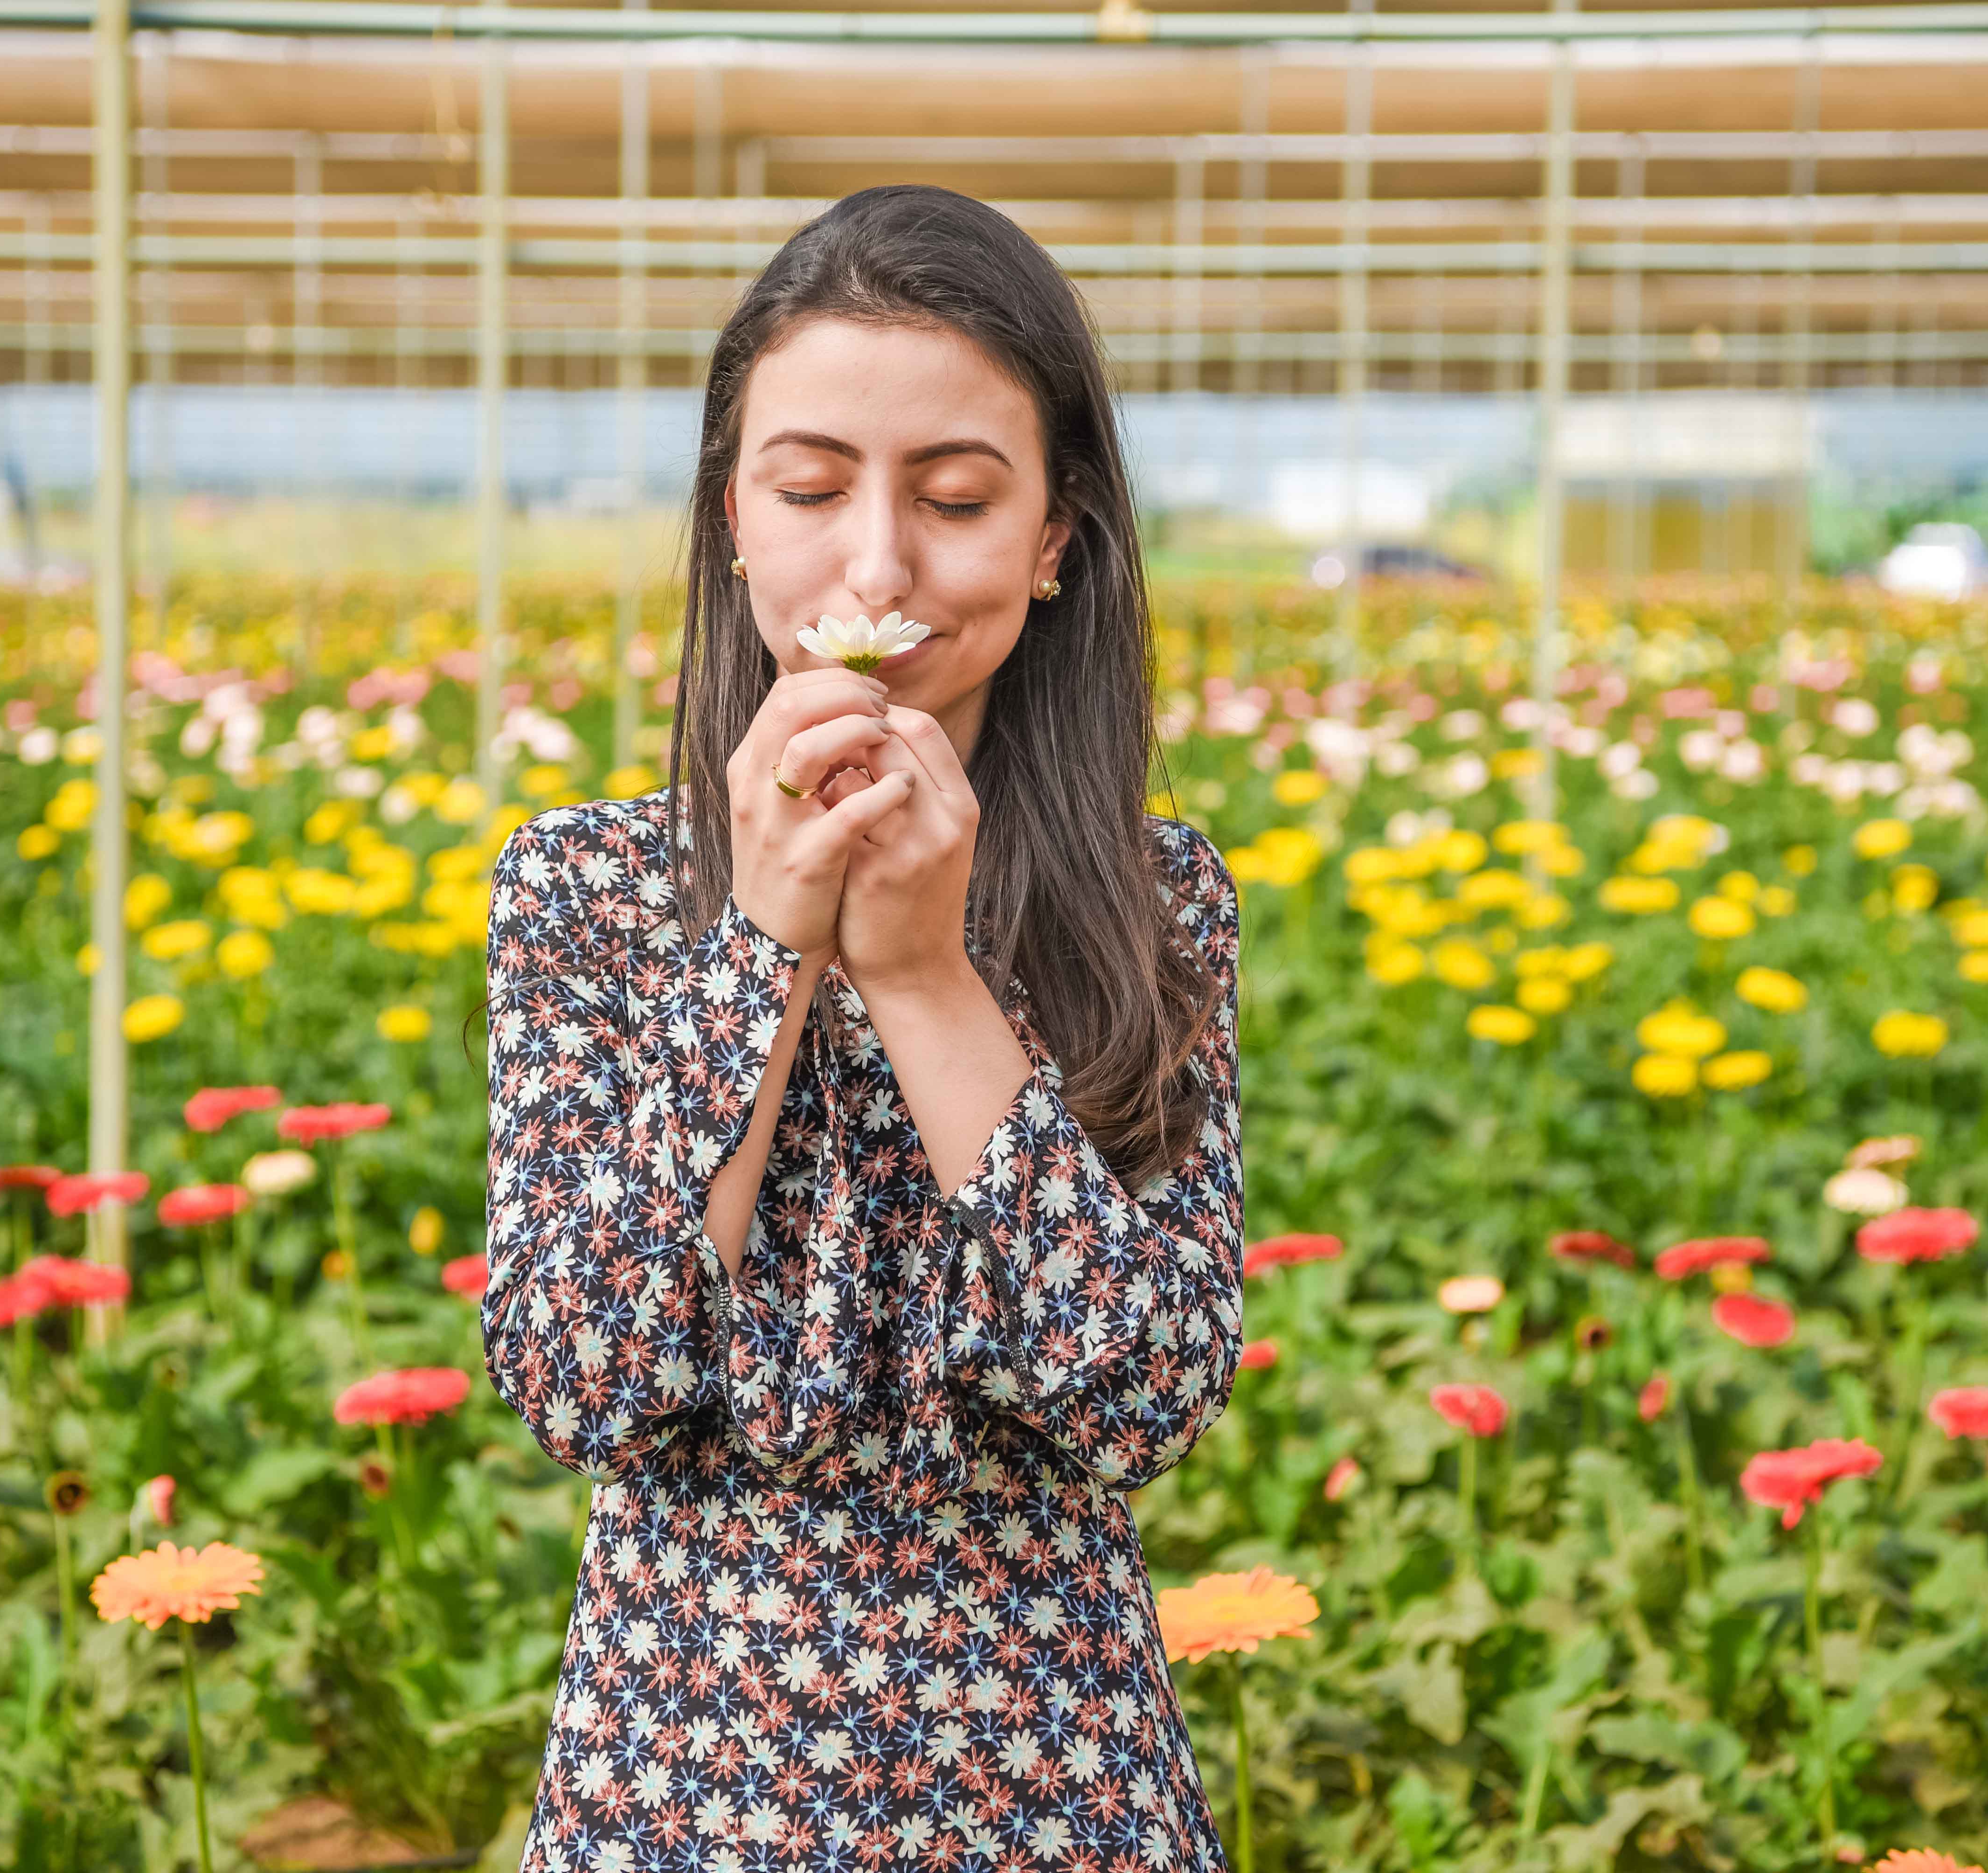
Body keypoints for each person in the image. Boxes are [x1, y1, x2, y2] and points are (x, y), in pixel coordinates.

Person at [479, 182, 1246, 1873]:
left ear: (1056, 542)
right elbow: (584, 1382)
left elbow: (1146, 1397)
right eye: (811, 489)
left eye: (958, 498)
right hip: (687, 1767)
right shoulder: (589, 888)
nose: (876, 567)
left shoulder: (1153, 899)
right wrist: (763, 941)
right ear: (735, 521)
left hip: (1056, 1778)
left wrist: (920, 974)